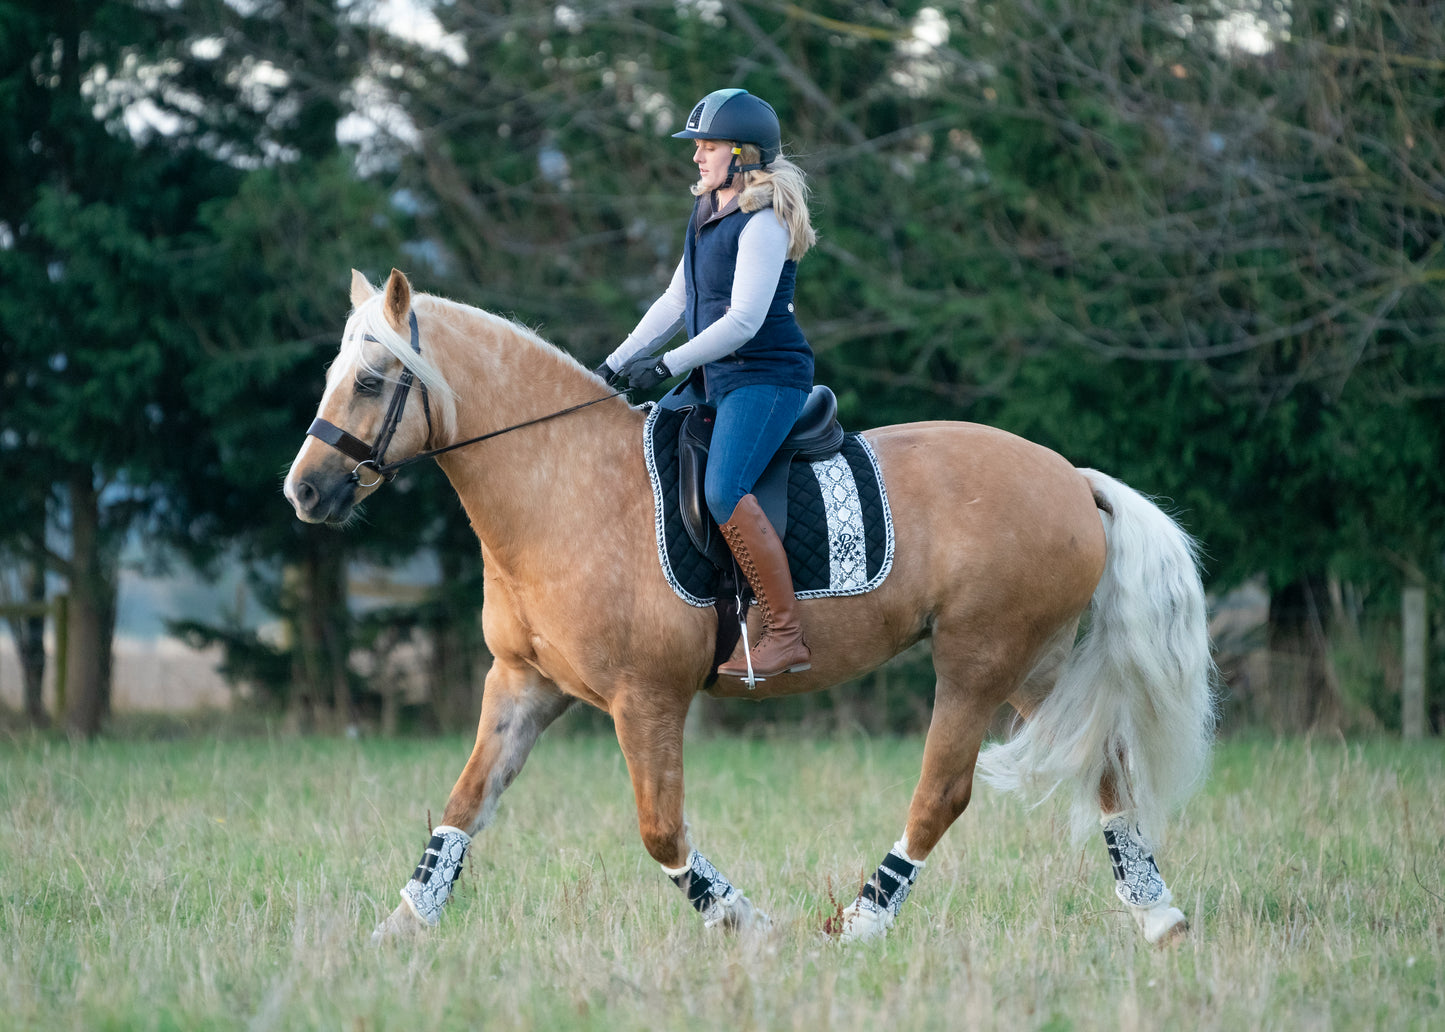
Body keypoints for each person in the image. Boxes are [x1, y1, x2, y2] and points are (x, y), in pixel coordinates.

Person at [596, 87, 818, 680]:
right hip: (714, 377)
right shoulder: (707, 209)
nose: (697, 156)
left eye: (708, 146)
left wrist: (665, 365)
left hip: (766, 378)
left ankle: (785, 632)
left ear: (744, 154)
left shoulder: (764, 221)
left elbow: (743, 322)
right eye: (697, 146)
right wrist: (615, 363)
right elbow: (677, 300)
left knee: (723, 490)